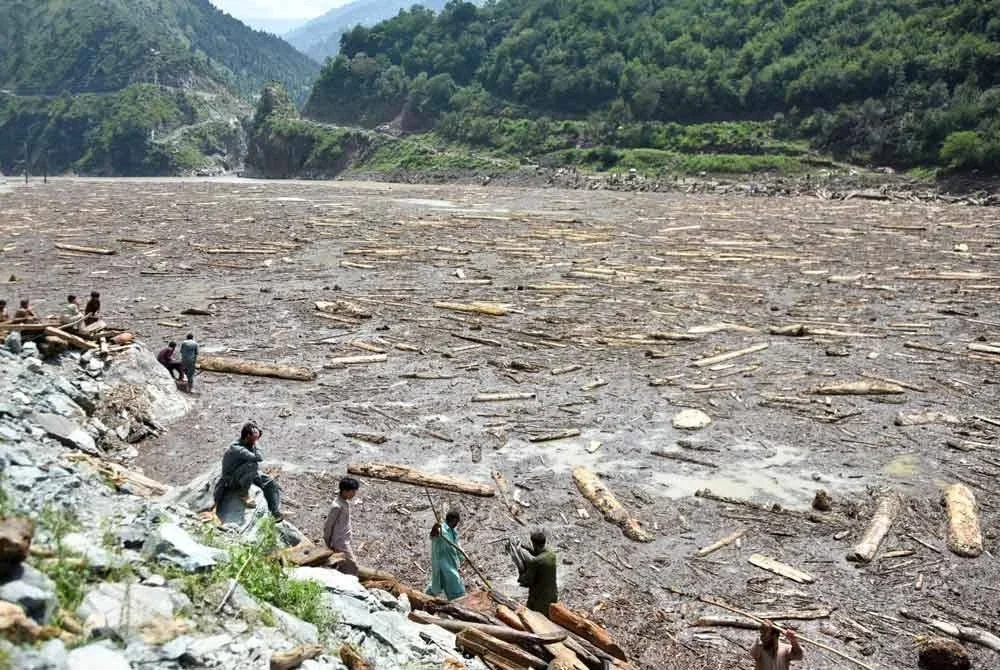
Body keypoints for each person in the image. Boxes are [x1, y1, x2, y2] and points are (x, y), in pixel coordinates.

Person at [213, 422, 282, 521]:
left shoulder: (248, 444)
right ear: (248, 436)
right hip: (231, 479)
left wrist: (254, 441)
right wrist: (255, 443)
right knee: (252, 465)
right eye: (255, 438)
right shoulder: (236, 448)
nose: (257, 440)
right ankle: (243, 493)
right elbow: (258, 458)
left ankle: (275, 512)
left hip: (245, 474)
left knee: (270, 482)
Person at [512, 529, 558, 615]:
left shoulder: (535, 562)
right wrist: (525, 547)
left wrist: (521, 572)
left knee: (534, 618)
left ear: (534, 544)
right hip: (552, 595)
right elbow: (538, 554)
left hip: (539, 599)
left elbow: (527, 580)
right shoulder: (551, 554)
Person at [323, 477, 360, 574]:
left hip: (344, 540)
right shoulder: (337, 506)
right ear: (344, 491)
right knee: (352, 566)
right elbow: (328, 526)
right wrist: (328, 541)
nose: (354, 494)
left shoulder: (345, 503)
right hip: (340, 542)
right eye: (352, 491)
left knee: (342, 565)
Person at [427, 510, 466, 601]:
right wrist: (434, 528)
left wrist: (463, 558)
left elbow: (457, 546)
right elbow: (433, 535)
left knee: (436, 585)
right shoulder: (441, 530)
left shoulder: (453, 532)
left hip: (451, 563)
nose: (456, 524)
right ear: (452, 520)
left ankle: (425, 597)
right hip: (443, 564)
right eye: (456, 522)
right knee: (455, 582)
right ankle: (459, 601)